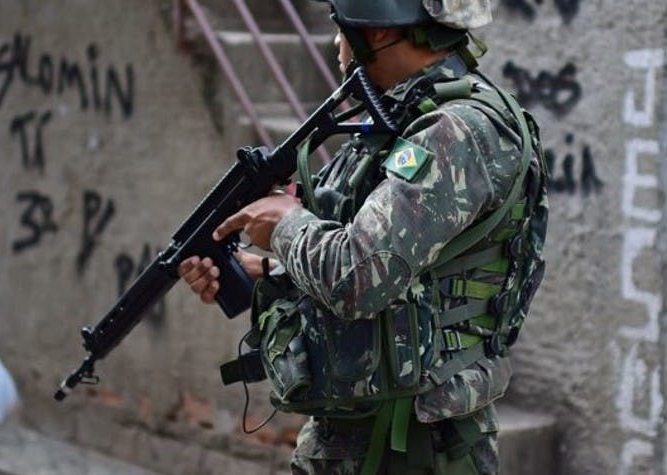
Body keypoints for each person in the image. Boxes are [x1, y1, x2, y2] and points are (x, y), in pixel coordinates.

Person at [180, 0, 548, 473]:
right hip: (361, 433)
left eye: (341, 30)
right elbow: (400, 275)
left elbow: (359, 277)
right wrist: (265, 271)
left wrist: (286, 225)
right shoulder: (407, 121)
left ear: (376, 32)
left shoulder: (455, 131)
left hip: (413, 445)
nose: (337, 46)